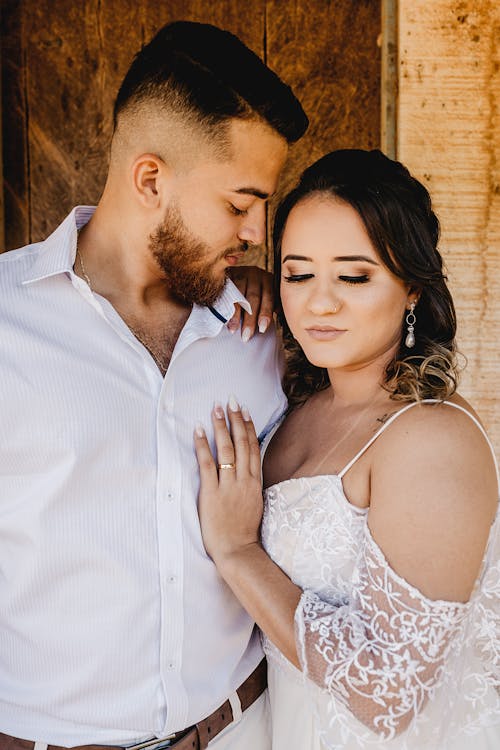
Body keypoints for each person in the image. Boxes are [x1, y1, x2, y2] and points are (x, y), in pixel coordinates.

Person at [0, 21, 308, 750]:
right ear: (150, 179)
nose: (258, 232)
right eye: (239, 204)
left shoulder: (268, 325)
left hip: (244, 730)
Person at [195, 149, 500, 749]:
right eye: (298, 273)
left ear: (412, 286)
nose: (320, 302)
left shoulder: (430, 439)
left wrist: (236, 551)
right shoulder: (298, 403)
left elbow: (389, 695)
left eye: (354, 277)